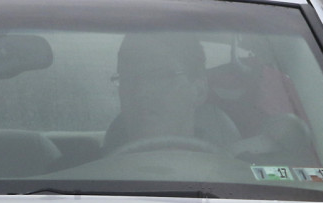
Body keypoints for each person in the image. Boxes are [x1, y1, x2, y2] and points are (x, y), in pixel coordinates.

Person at [103, 32, 240, 153]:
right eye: (127, 77)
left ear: (199, 90)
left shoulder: (239, 176)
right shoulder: (91, 176)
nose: (141, 92)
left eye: (158, 77)